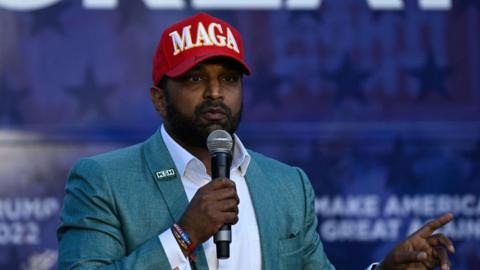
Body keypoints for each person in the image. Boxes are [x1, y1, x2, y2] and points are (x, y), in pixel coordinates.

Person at [57, 12, 455, 270]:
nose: (215, 93)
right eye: (195, 79)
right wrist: (183, 236)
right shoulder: (103, 179)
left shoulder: (286, 184)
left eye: (228, 79)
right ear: (159, 100)